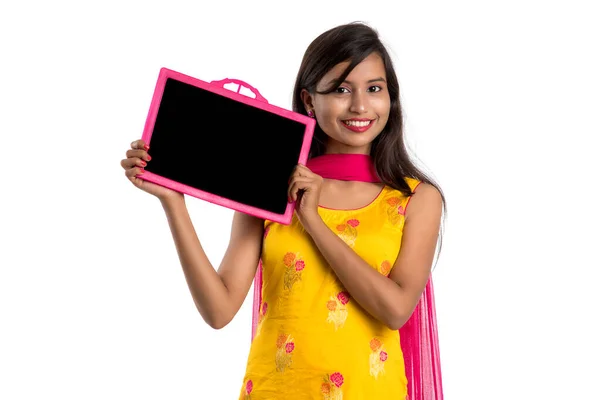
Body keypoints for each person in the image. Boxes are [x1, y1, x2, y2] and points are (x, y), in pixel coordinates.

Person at [121, 22, 446, 400]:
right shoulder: (269, 186)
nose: (360, 106)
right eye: (341, 89)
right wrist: (173, 202)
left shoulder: (414, 199)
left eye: (374, 89)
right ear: (309, 100)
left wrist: (313, 221)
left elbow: (395, 310)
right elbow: (219, 309)